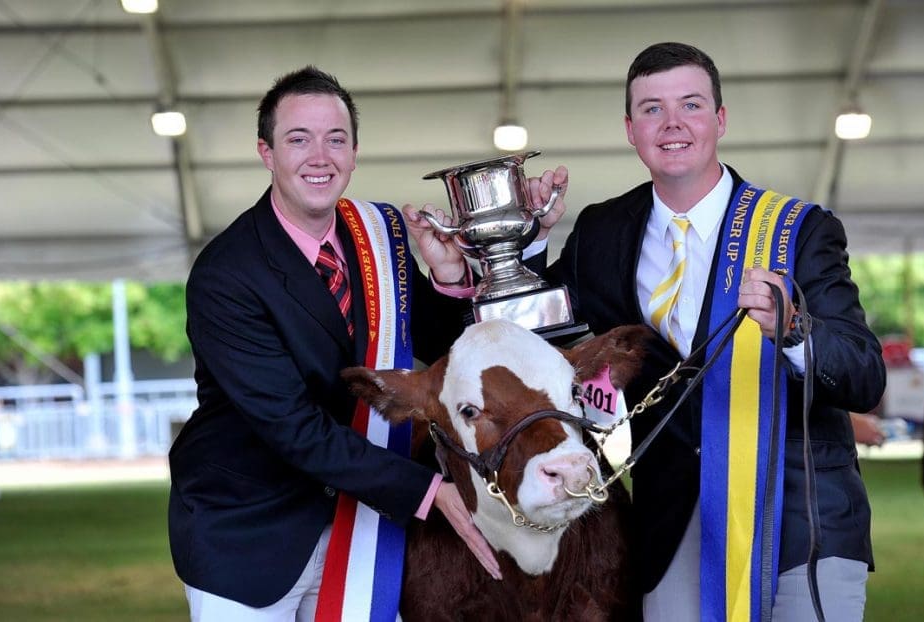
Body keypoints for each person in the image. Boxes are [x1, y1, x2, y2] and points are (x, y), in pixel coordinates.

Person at [524, 42, 885, 621]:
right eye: (651, 109)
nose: (672, 124)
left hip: (800, 520)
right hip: (675, 526)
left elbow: (864, 374)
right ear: (629, 129)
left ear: (719, 119)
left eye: (691, 105)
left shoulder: (799, 230)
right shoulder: (600, 231)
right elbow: (539, 336)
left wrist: (794, 332)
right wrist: (529, 244)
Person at [167, 66, 499, 622]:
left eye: (335, 139)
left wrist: (446, 276)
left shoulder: (379, 234)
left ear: (354, 153)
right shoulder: (226, 273)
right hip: (249, 536)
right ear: (266, 153)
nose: (319, 156)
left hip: (361, 527)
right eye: (298, 139)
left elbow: (444, 344)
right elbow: (293, 429)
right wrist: (426, 490)